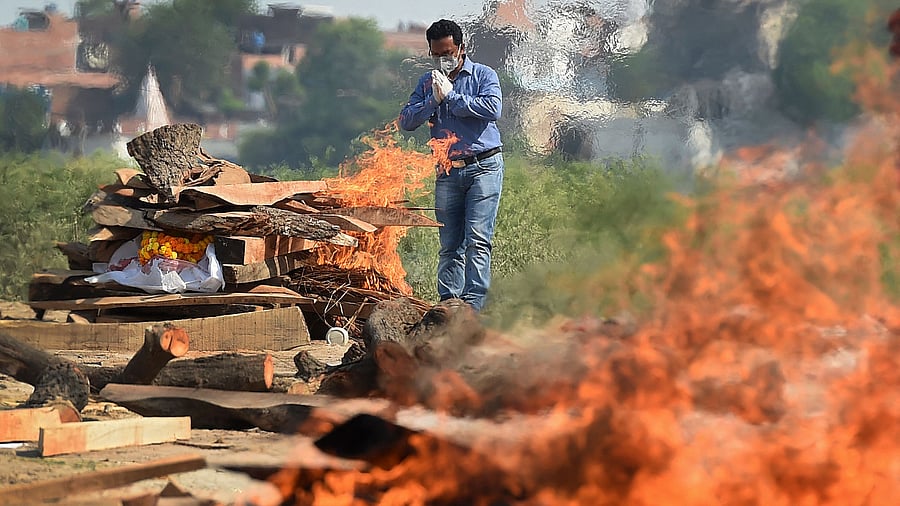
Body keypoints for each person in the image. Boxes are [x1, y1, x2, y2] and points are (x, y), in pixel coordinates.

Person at [399, 19, 504, 312]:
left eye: (448, 52)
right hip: (447, 170)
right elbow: (406, 121)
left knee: (477, 241)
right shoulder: (427, 81)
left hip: (483, 166)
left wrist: (452, 97)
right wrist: (432, 100)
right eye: (436, 54)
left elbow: (492, 109)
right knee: (449, 244)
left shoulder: (484, 75)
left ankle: (473, 307)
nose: (443, 59)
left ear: (461, 48)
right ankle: (449, 304)